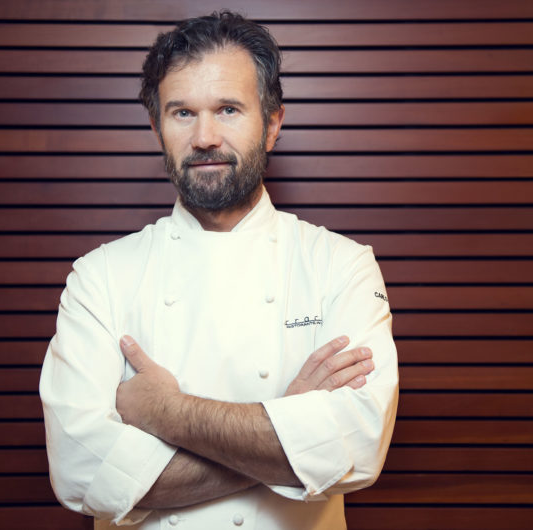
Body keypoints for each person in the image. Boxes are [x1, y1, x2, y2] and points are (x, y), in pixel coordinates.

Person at [40, 11, 398, 530]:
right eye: (182, 113)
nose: (204, 136)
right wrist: (290, 429)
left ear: (272, 123)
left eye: (228, 109)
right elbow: (80, 474)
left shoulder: (340, 266)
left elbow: (357, 448)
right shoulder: (99, 279)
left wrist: (165, 412)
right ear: (156, 126)